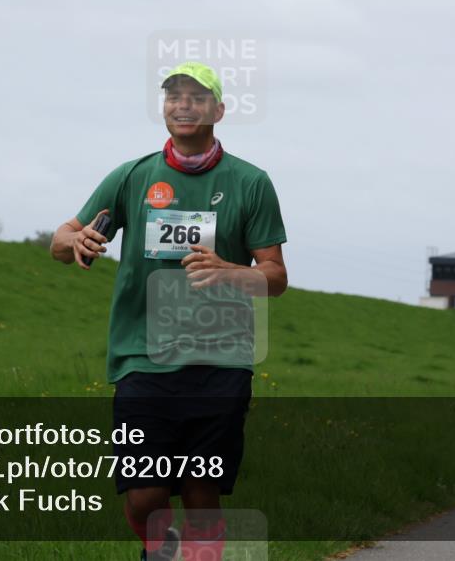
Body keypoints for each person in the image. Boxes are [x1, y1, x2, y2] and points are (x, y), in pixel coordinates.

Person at [50, 61, 288, 560]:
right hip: (142, 357)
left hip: (220, 360)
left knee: (201, 494)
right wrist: (76, 241)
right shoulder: (133, 177)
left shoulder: (251, 183)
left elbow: (275, 276)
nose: (183, 105)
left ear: (218, 110)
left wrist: (228, 270)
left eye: (197, 97)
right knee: (146, 496)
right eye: (173, 96)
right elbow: (61, 236)